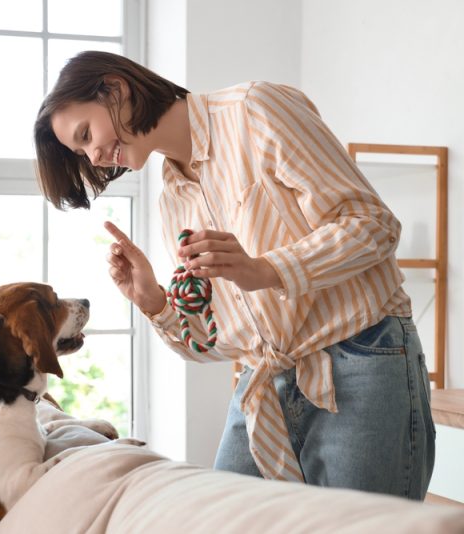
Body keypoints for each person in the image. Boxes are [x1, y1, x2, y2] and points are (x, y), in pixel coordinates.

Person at [33, 50, 435, 500]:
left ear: (115, 88)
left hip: (361, 357)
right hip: (264, 383)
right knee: (219, 517)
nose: (96, 155)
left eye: (87, 134)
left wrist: (264, 269)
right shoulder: (173, 201)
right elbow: (219, 342)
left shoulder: (256, 110)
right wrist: (154, 303)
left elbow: (373, 225)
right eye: (82, 151)